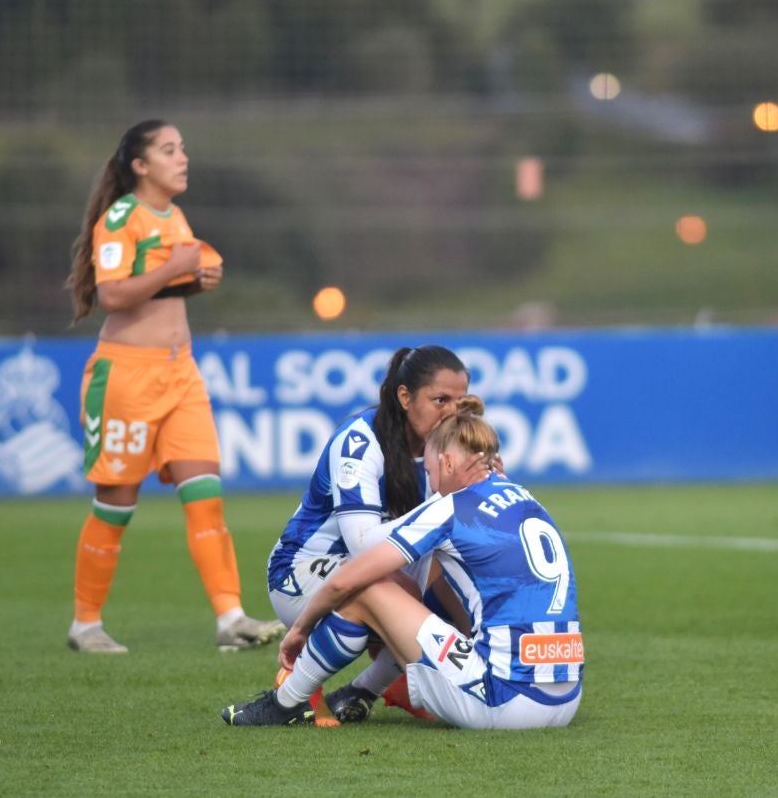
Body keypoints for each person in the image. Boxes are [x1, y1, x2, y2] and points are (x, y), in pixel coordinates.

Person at [222, 396, 584, 730]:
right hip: (566, 699)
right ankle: (361, 691)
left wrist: (299, 630)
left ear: (446, 461)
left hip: (506, 703)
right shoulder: (528, 499)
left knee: (368, 587)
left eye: (428, 470)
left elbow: (345, 580)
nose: (430, 481)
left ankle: (286, 703)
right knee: (433, 580)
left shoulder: (450, 507)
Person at [64, 119, 283, 653]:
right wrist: (176, 270)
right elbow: (113, 296)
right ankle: (85, 625)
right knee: (116, 501)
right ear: (140, 166)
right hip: (127, 375)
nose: (182, 157)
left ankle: (231, 618)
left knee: (205, 495)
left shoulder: (174, 215)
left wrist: (195, 279)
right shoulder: (122, 217)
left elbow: (164, 285)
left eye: (182, 148)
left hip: (181, 373)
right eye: (168, 150)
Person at [264, 344, 478, 722]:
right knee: (410, 598)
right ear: (405, 396)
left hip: (379, 574)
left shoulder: (445, 448)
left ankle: (360, 693)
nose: (450, 413)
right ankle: (295, 684)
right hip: (301, 572)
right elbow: (361, 545)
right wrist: (446, 506)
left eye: (459, 403)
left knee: (465, 588)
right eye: (440, 399)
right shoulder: (360, 441)